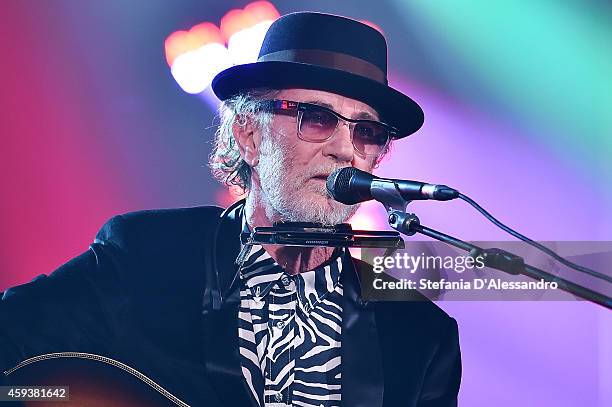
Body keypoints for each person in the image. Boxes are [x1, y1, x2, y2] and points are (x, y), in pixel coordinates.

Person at [0, 12, 461, 407]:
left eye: (367, 132)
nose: (345, 148)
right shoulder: (147, 255)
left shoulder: (421, 337)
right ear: (249, 134)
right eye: (316, 118)